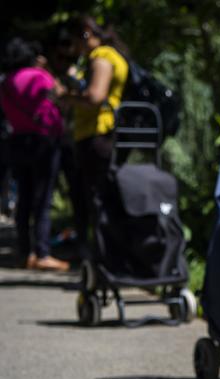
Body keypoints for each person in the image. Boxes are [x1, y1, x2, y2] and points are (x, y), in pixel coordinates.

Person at [0, 38, 69, 270]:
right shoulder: (40, 76)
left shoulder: (7, 81)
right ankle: (42, 252)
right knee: (43, 199)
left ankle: (24, 251)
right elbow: (59, 95)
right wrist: (47, 69)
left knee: (24, 199)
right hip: (44, 140)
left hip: (18, 141)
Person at [64, 16, 129, 258]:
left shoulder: (101, 56)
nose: (76, 50)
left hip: (97, 134)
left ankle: (104, 257)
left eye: (75, 42)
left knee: (97, 199)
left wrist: (65, 97)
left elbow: (94, 97)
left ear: (85, 34)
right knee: (105, 197)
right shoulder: (113, 54)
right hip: (106, 134)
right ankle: (109, 255)